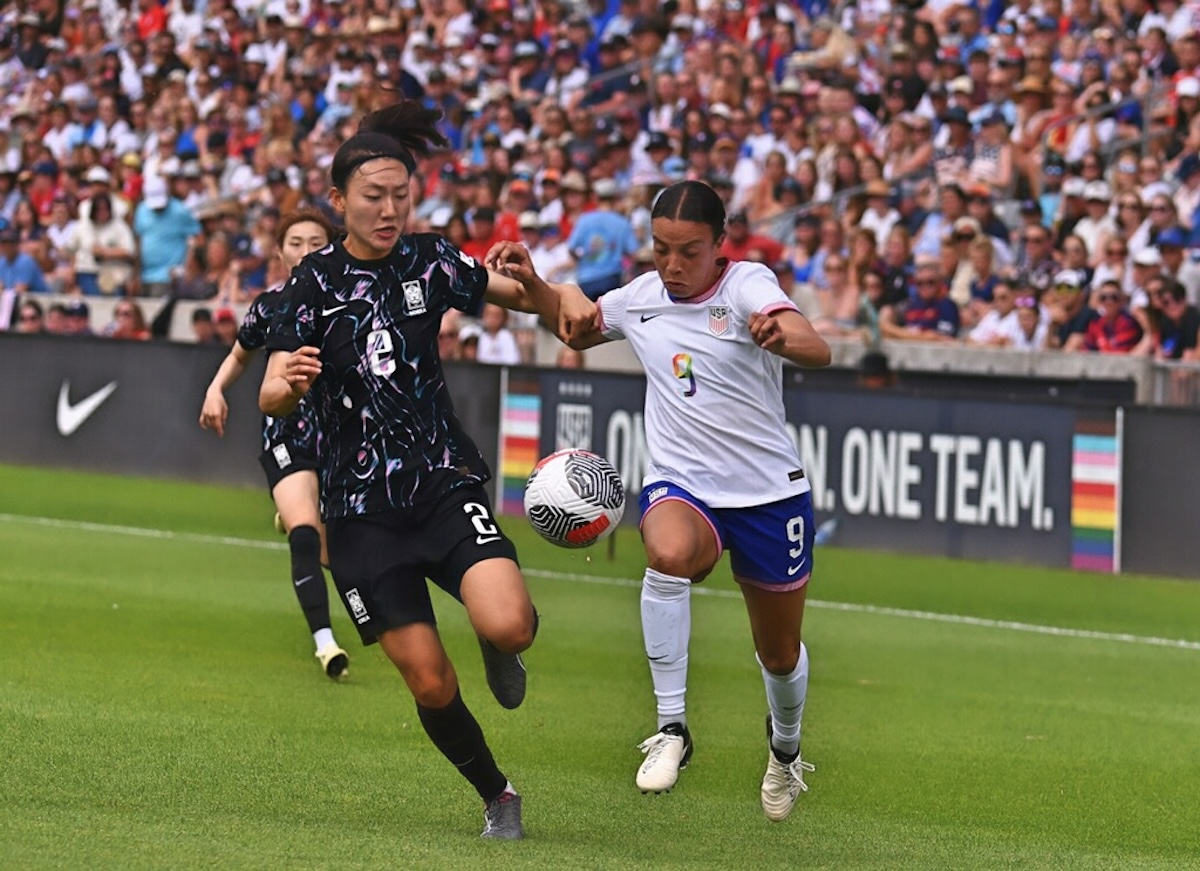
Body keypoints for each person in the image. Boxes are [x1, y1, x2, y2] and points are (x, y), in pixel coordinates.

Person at [257, 101, 591, 840]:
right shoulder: (310, 285)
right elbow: (271, 390)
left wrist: (542, 287)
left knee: (511, 622)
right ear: (339, 201)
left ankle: (494, 638)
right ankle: (498, 793)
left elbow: (524, 301)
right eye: (373, 197)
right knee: (431, 681)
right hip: (358, 517)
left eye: (401, 195)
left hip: (441, 482)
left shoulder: (430, 259)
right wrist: (294, 384)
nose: (389, 209)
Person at [488, 180, 831, 822]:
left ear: (718, 246)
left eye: (689, 252)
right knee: (667, 552)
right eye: (661, 249)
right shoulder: (642, 297)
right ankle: (671, 728)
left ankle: (785, 751)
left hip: (767, 496)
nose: (672, 265)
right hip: (684, 485)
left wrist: (783, 339)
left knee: (779, 654)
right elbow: (575, 328)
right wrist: (535, 284)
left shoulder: (748, 285)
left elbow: (818, 345)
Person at [200, 208, 352, 680]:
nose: (306, 251)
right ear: (280, 252)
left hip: (345, 439)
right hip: (288, 433)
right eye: (295, 243)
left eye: (316, 242)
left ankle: (294, 512)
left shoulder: (357, 300)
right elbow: (240, 354)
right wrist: (215, 389)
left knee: (339, 555)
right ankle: (326, 644)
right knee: (306, 532)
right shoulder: (270, 305)